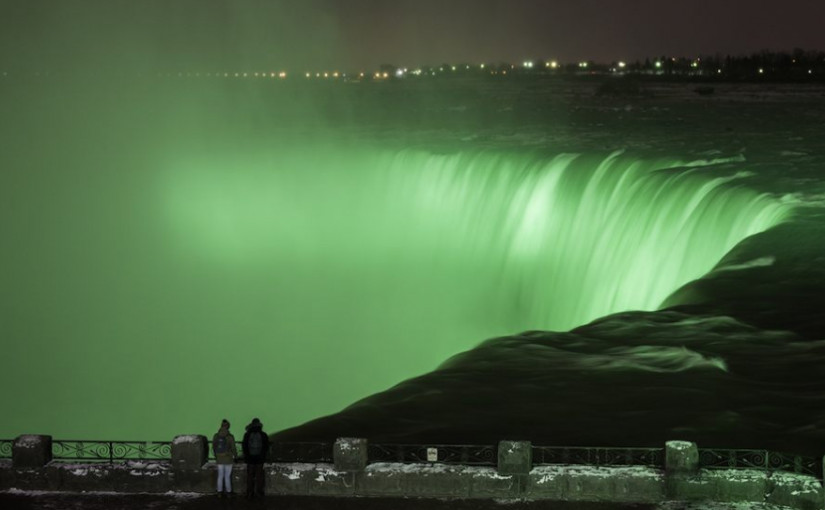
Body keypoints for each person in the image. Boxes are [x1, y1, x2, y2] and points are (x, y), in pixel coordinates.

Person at [242, 417, 270, 499]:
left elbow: (245, 447)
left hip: (250, 459)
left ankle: (250, 492)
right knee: (259, 476)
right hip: (259, 459)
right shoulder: (263, 435)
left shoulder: (247, 435)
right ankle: (259, 492)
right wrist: (263, 456)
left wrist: (247, 456)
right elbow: (266, 447)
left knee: (250, 476)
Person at [212, 419, 237, 497]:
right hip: (228, 459)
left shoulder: (216, 436)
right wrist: (235, 456)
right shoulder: (230, 436)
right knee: (227, 476)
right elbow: (233, 448)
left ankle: (219, 492)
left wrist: (217, 456)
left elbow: (213, 447)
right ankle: (228, 492)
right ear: (228, 426)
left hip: (219, 459)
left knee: (220, 476)